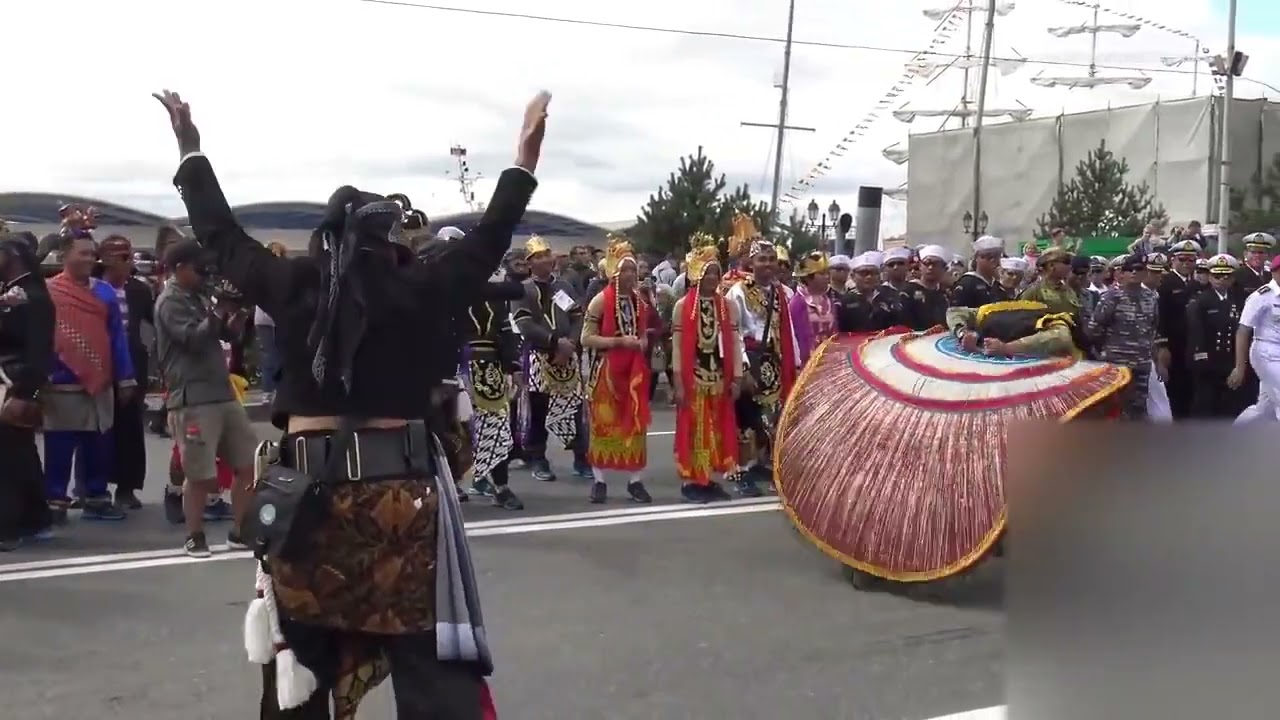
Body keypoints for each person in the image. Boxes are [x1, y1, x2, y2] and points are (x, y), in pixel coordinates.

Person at [153, 88, 547, 717]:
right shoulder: (420, 286)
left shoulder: (293, 285)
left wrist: (191, 151)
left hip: (305, 498)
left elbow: (221, 237)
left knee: (300, 666)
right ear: (390, 241)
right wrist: (522, 165)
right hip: (402, 500)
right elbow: (487, 242)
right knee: (429, 665)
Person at [154, 240, 258, 556]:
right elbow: (193, 339)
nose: (204, 275)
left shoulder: (199, 294)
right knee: (199, 474)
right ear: (180, 268)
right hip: (193, 397)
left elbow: (224, 336)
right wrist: (218, 311)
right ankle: (194, 535)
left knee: (248, 464)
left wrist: (236, 315)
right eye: (198, 269)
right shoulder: (169, 301)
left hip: (221, 392)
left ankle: (240, 531)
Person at [44, 227, 136, 523]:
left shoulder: (105, 292)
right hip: (61, 384)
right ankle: (55, 500)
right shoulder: (49, 291)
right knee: (59, 446)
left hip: (100, 383)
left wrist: (125, 377)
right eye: (82, 253)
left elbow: (116, 338)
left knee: (99, 443)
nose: (89, 258)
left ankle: (96, 496)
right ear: (63, 255)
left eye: (91, 253)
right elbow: (42, 336)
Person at [580, 236, 654, 504]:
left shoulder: (639, 302)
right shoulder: (600, 301)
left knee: (635, 426)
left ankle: (636, 481)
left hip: (633, 372)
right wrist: (618, 342)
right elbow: (586, 338)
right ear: (614, 271)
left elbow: (644, 334)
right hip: (607, 371)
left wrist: (642, 342)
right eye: (625, 269)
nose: (631, 274)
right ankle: (599, 481)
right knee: (603, 425)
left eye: (634, 269)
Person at [511, 235, 591, 482]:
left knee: (575, 408)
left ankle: (581, 456)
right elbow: (524, 324)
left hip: (567, 356)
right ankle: (538, 458)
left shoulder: (563, 287)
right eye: (540, 256)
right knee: (538, 410)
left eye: (548, 254)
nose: (547, 259)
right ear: (530, 262)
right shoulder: (523, 290)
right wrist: (555, 342)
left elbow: (578, 316)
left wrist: (572, 343)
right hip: (539, 356)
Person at [725, 232, 798, 497]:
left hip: (774, 363)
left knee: (769, 420)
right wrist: (742, 368)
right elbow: (733, 331)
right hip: (748, 363)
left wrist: (795, 363)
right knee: (744, 418)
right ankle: (739, 470)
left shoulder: (781, 292)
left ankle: (757, 464)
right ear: (750, 263)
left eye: (771, 259)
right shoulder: (738, 292)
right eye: (762, 259)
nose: (767, 264)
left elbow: (787, 330)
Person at [671, 234, 742, 504]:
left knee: (716, 430)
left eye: (716, 273)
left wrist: (736, 377)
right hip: (694, 378)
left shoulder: (728, 307)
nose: (713, 278)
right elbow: (677, 347)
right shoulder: (682, 307)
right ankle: (693, 480)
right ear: (696, 275)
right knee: (695, 428)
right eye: (708, 273)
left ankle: (708, 477)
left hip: (719, 378)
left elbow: (734, 343)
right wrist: (678, 381)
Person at [0, 234, 55, 550]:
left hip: (15, 383)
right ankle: (36, 518)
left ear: (10, 255)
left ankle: (7, 527)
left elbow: (38, 351)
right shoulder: (16, 292)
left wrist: (26, 392)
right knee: (21, 456)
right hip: (12, 381)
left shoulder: (31, 296)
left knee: (7, 460)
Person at [460, 264, 526, 511]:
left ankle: (500, 486)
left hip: (492, 370)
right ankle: (461, 482)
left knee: (498, 427)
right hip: (459, 370)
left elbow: (506, 332)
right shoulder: (450, 293)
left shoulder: (495, 296)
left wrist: (514, 366)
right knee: (460, 430)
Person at [97, 235, 155, 509]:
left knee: (130, 428)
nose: (128, 263)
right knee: (96, 428)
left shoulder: (139, 291)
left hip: (133, 363)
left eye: (130, 257)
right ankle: (93, 487)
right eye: (122, 258)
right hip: (98, 363)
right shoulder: (93, 287)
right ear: (106, 258)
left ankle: (127, 487)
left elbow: (155, 324)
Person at [1090, 254, 1164, 419]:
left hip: (1142, 362)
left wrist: (1157, 361)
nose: (1134, 273)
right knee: (1117, 409)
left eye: (1139, 269)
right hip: (1117, 363)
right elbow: (1095, 329)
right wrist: (1101, 354)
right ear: (1121, 273)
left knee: (1139, 408)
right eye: (1129, 270)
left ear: (1145, 273)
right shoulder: (1111, 297)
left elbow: (1152, 330)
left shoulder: (1150, 297)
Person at [1186, 254, 1246, 418]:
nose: (1221, 280)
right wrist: (1201, 360)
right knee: (1206, 406)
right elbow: (1196, 333)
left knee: (1229, 407)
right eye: (1217, 276)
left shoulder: (1240, 300)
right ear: (1210, 278)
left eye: (1226, 276)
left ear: (1233, 278)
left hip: (1230, 360)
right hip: (1208, 362)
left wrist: (1240, 364)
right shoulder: (1201, 301)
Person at [1229, 257, 1280, 424]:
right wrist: (1239, 367)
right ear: (1274, 272)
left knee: (1264, 408)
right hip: (1266, 352)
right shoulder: (1261, 296)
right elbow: (1243, 331)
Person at [254, 241, 288, 399]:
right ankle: (268, 390)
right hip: (265, 319)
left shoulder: (285, 269)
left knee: (280, 354)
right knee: (270, 354)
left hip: (279, 318)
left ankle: (279, 389)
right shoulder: (262, 271)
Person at [835, 252, 901, 333]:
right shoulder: (844, 301)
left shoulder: (890, 296)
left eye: (873, 273)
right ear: (853, 276)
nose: (869, 277)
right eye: (864, 273)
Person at [788, 250, 835, 365]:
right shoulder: (797, 303)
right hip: (807, 363)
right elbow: (796, 337)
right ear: (808, 278)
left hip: (828, 361)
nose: (827, 277)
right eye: (822, 273)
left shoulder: (829, 301)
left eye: (827, 273)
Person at [900, 244, 950, 330]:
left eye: (935, 264)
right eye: (927, 263)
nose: (930, 267)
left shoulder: (945, 295)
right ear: (920, 266)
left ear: (944, 269)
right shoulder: (908, 291)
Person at [949, 235, 1004, 308]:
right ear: (976, 258)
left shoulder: (997, 285)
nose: (993, 261)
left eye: (997, 256)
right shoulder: (967, 283)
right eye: (989, 257)